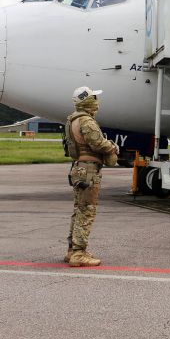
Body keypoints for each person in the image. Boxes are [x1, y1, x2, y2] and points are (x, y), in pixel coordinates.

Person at [64, 86, 118, 267]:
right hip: (88, 170)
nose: (97, 101)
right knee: (87, 210)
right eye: (94, 97)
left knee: (79, 209)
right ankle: (79, 253)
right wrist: (111, 147)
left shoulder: (72, 120)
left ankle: (72, 250)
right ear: (88, 101)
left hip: (79, 167)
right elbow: (97, 143)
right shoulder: (87, 121)